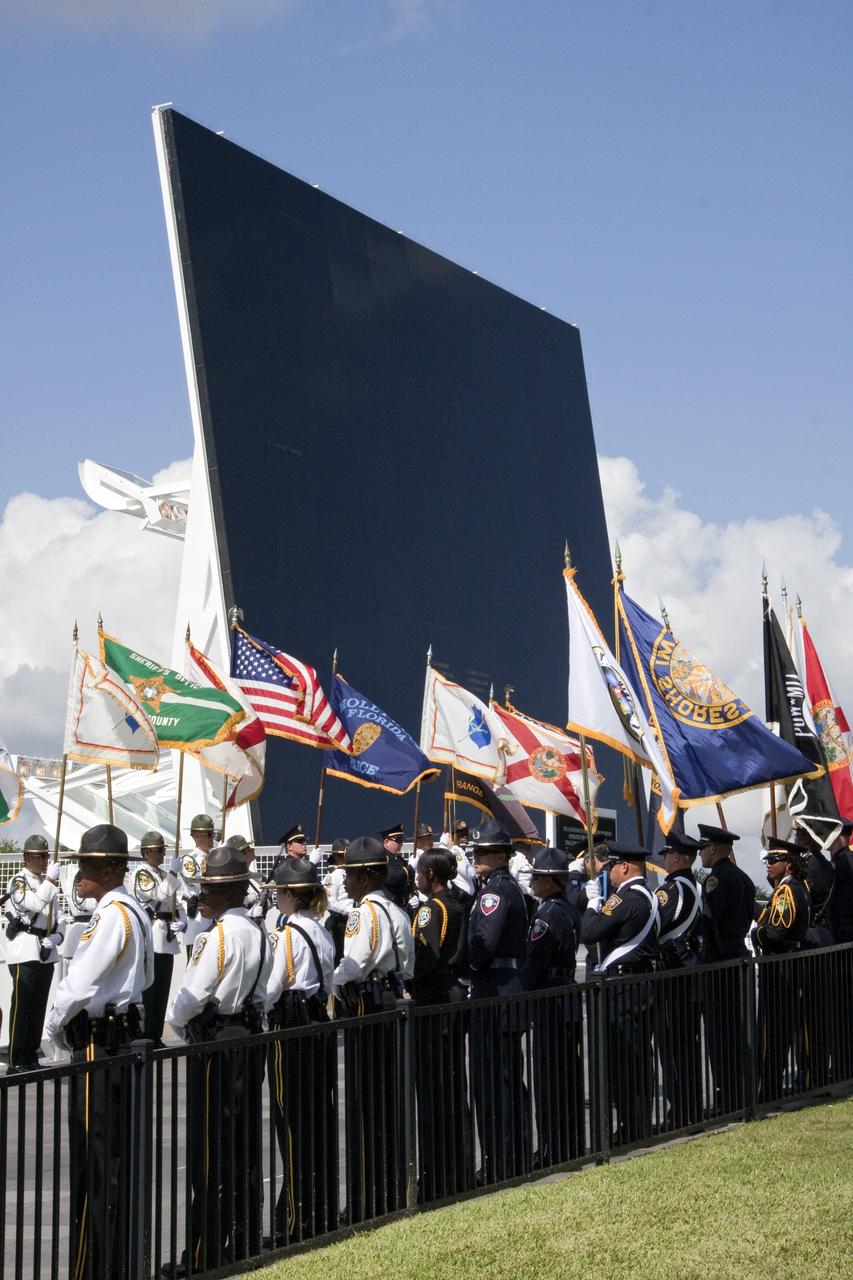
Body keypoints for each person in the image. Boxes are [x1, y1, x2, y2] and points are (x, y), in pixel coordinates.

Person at [44, 824, 153, 1280]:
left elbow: (79, 985)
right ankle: (119, 1262)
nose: (79, 874)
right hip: (120, 1036)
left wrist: (52, 1029)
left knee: (94, 1163)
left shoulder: (110, 916)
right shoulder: (135, 910)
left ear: (109, 870)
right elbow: (147, 979)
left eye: (86, 866)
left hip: (97, 1044)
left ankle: (94, 1268)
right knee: (115, 1160)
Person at [165, 844, 271, 1276]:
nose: (202, 895)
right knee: (244, 1143)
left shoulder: (218, 936)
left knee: (209, 1149)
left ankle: (204, 1251)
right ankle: (245, 1239)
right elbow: (265, 992)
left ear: (229, 893)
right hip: (247, 1034)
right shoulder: (258, 932)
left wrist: (177, 1023)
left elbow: (193, 995)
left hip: (215, 1040)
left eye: (209, 888)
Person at [331, 837, 407, 1224]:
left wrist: (333, 980)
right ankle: (390, 1190)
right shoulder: (396, 910)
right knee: (387, 1100)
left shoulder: (364, 913)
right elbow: (408, 963)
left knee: (365, 1104)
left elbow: (355, 962)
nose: (344, 881)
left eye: (349, 874)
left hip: (366, 1002)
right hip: (391, 999)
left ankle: (365, 1199)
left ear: (364, 877)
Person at [264, 857, 336, 1243]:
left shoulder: (288, 933)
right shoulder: (321, 930)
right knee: (316, 1117)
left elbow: (273, 984)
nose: (276, 897)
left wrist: (258, 1006)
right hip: (316, 1019)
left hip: (290, 1022)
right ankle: (318, 1207)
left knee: (290, 1118)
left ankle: (293, 1216)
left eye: (279, 891)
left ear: (291, 894)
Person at [580, 841, 660, 1146]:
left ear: (624, 867)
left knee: (625, 1059)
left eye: (612, 865)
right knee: (638, 1057)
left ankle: (632, 1127)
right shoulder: (649, 895)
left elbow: (590, 932)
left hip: (623, 988)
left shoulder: (624, 897)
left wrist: (592, 905)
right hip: (640, 983)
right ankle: (638, 1123)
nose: (608, 871)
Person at [467, 819, 529, 1182]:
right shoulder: (505, 887)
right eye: (477, 851)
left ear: (502, 856)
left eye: (485, 852)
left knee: (492, 1082)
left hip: (494, 989)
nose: (478, 857)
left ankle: (500, 1160)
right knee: (506, 1078)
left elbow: (484, 943)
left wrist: (469, 966)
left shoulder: (495, 892)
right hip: (506, 986)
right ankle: (513, 1155)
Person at [411, 848, 472, 1199]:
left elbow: (425, 956)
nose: (417, 878)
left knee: (434, 1089)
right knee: (453, 1085)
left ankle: (437, 1176)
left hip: (434, 997)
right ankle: (458, 1169)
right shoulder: (459, 903)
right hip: (454, 992)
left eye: (420, 872)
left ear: (430, 875)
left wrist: (407, 975)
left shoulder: (431, 909)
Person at [524, 847, 583, 1165]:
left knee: (549, 1078)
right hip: (567, 994)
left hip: (550, 998)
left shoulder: (545, 915)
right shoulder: (569, 909)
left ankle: (552, 1146)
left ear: (549, 881)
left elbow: (534, 962)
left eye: (536, 877)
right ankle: (571, 1141)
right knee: (568, 1074)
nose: (532, 882)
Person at [697, 824, 755, 1116]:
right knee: (739, 1029)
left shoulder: (716, 879)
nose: (700, 854)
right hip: (738, 957)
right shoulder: (744, 878)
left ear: (714, 848)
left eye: (702, 848)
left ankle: (727, 1095)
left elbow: (708, 922)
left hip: (719, 961)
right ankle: (743, 1091)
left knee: (720, 1034)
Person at [753, 838, 811, 1104]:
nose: (768, 864)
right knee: (782, 1029)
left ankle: (767, 1090)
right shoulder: (800, 886)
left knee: (771, 1032)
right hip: (791, 964)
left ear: (788, 864)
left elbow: (776, 932)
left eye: (774, 860)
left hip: (779, 967)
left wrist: (757, 935)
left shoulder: (786, 891)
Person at [655, 831, 704, 1128]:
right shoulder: (693, 886)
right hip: (687, 973)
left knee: (674, 1048)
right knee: (686, 1046)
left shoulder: (672, 890)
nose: (663, 859)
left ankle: (682, 1111)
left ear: (676, 857)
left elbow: (655, 925)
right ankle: (690, 1107)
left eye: (666, 854)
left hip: (673, 975)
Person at [4, 834, 63, 1071]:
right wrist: (49, 880)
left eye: (47, 856)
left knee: (38, 1006)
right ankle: (16, 1059)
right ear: (29, 858)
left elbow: (57, 917)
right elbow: (36, 904)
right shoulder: (18, 881)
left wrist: (58, 936)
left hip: (45, 950)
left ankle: (31, 1056)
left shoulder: (46, 883)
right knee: (22, 1006)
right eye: (42, 856)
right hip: (24, 950)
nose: (46, 860)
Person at [127, 830, 186, 1045]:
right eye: (158, 850)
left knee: (162, 988)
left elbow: (175, 903)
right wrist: (173, 872)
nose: (162, 854)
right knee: (150, 990)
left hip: (167, 937)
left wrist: (183, 921)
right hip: (152, 935)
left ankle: (156, 1033)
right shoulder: (141, 874)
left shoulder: (162, 874)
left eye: (162, 850)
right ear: (146, 853)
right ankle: (146, 1035)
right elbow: (160, 894)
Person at [179, 813, 216, 961]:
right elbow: (196, 880)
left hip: (213, 911)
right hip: (197, 914)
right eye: (208, 834)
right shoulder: (190, 859)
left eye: (213, 834)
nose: (212, 838)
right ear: (196, 836)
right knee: (195, 959)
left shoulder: (215, 857)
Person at [322, 836, 352, 962]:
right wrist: (349, 910)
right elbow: (329, 902)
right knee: (340, 956)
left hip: (354, 920)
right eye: (341, 855)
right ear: (336, 857)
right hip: (339, 923)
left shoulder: (352, 873)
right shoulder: (332, 877)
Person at [379, 822, 415, 913]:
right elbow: (391, 878)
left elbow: (410, 880)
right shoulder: (383, 859)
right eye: (398, 840)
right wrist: (409, 868)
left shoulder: (400, 859)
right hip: (390, 905)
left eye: (401, 840)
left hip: (403, 905)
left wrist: (414, 894)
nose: (401, 844)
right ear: (386, 842)